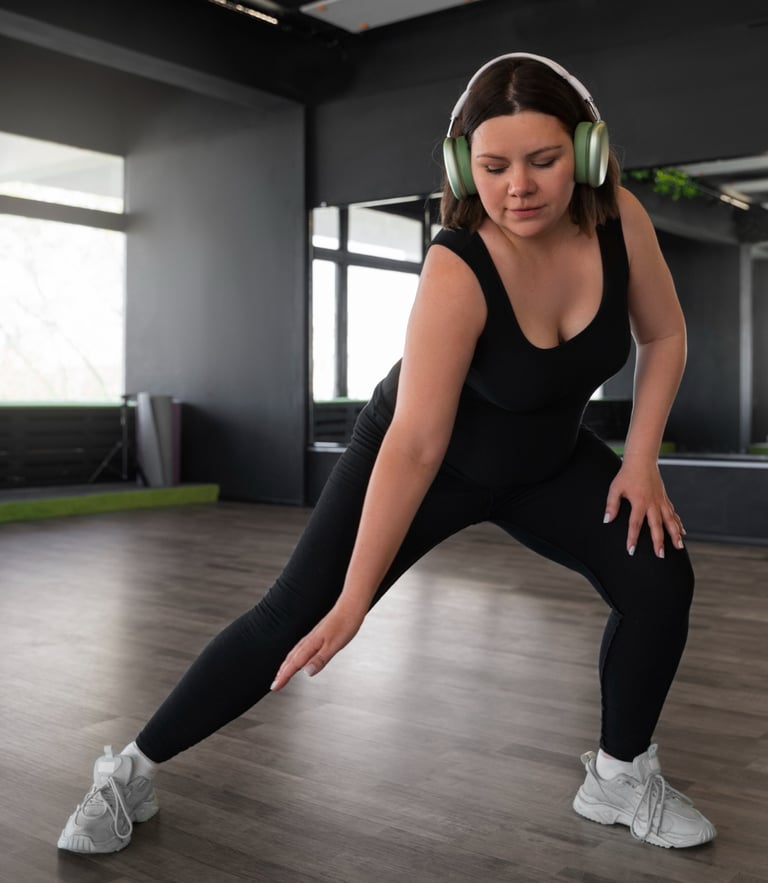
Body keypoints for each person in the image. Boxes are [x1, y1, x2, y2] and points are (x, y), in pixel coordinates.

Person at [58, 52, 716, 854]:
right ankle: (129, 770)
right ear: (463, 167)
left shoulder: (618, 219)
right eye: (494, 167)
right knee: (292, 616)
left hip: (546, 460)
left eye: (544, 160)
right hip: (426, 458)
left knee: (659, 575)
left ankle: (618, 775)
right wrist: (355, 598)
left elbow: (664, 334)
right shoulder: (459, 263)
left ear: (584, 151)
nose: (519, 187)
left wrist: (640, 460)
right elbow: (416, 443)